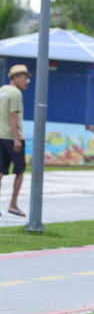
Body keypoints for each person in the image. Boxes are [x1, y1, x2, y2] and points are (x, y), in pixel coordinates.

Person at [0, 64, 30, 216]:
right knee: (20, 171)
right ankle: (13, 204)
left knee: (0, 171)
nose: (26, 82)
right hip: (12, 138)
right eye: (24, 78)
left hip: (1, 137)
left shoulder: (2, 91)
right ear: (15, 78)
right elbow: (13, 116)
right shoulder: (16, 93)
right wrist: (17, 139)